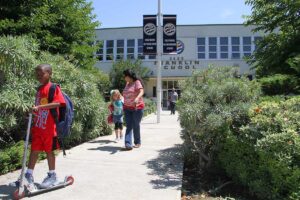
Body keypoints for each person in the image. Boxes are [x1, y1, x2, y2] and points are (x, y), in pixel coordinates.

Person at [23, 63, 66, 190]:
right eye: (37, 74)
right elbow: (38, 106)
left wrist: (39, 107)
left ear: (49, 74)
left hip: (49, 128)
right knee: (34, 150)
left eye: (42, 74)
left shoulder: (53, 88)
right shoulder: (39, 89)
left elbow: (58, 103)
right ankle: (28, 175)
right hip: (38, 127)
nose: (39, 76)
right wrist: (32, 110)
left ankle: (52, 176)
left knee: (49, 151)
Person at [122, 69, 144, 150]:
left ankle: (137, 142)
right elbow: (125, 94)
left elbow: (141, 91)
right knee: (128, 126)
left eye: (125, 76)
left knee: (135, 125)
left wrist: (137, 98)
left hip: (137, 108)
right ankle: (128, 143)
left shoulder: (137, 82)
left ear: (129, 76)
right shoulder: (127, 84)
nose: (124, 78)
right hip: (127, 108)